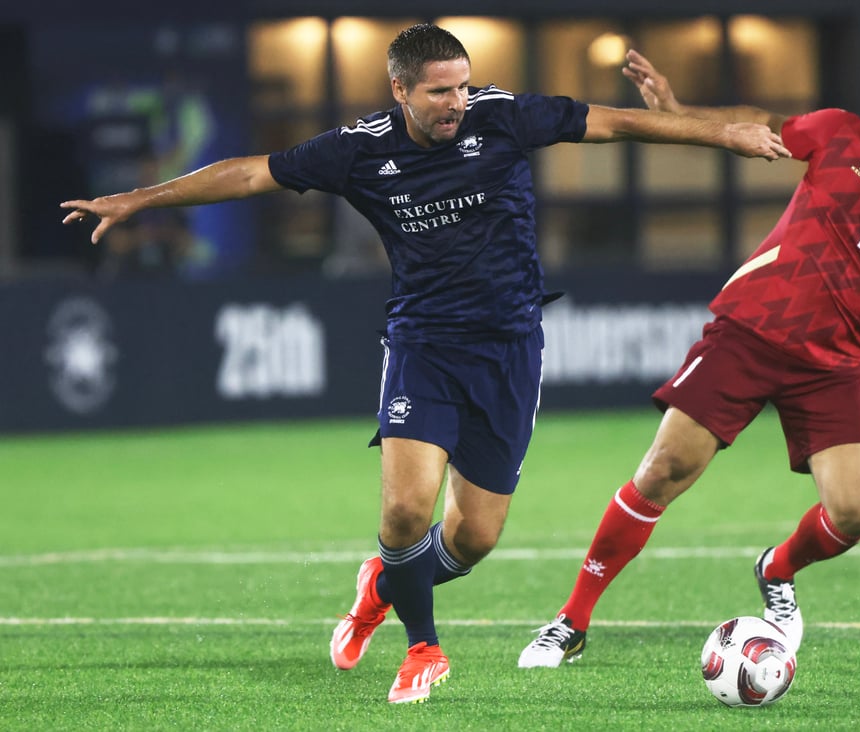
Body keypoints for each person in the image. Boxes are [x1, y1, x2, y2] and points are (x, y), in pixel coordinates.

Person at [60, 25, 789, 704]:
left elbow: (617, 124)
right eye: (441, 91)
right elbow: (252, 174)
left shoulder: (502, 118)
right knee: (407, 509)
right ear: (401, 90)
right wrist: (139, 200)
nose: (457, 102)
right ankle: (423, 648)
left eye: (463, 85)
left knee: (474, 537)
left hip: (509, 349)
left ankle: (379, 588)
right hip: (423, 345)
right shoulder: (359, 150)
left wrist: (722, 133)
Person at [518, 49, 860, 668]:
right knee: (663, 469)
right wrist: (679, 111)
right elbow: (758, 123)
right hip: (750, 331)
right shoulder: (841, 134)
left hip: (833, 363)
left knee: (853, 513)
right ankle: (571, 620)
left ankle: (777, 570)